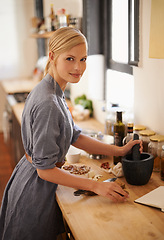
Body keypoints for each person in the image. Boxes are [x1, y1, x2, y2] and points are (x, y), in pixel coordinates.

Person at [0, 27, 142, 240]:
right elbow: (44, 171)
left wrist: (119, 149)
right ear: (52, 57)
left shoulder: (55, 90)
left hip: (32, 178)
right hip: (35, 189)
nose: (78, 67)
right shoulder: (48, 102)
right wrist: (96, 186)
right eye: (70, 58)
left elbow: (75, 135)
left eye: (83, 59)